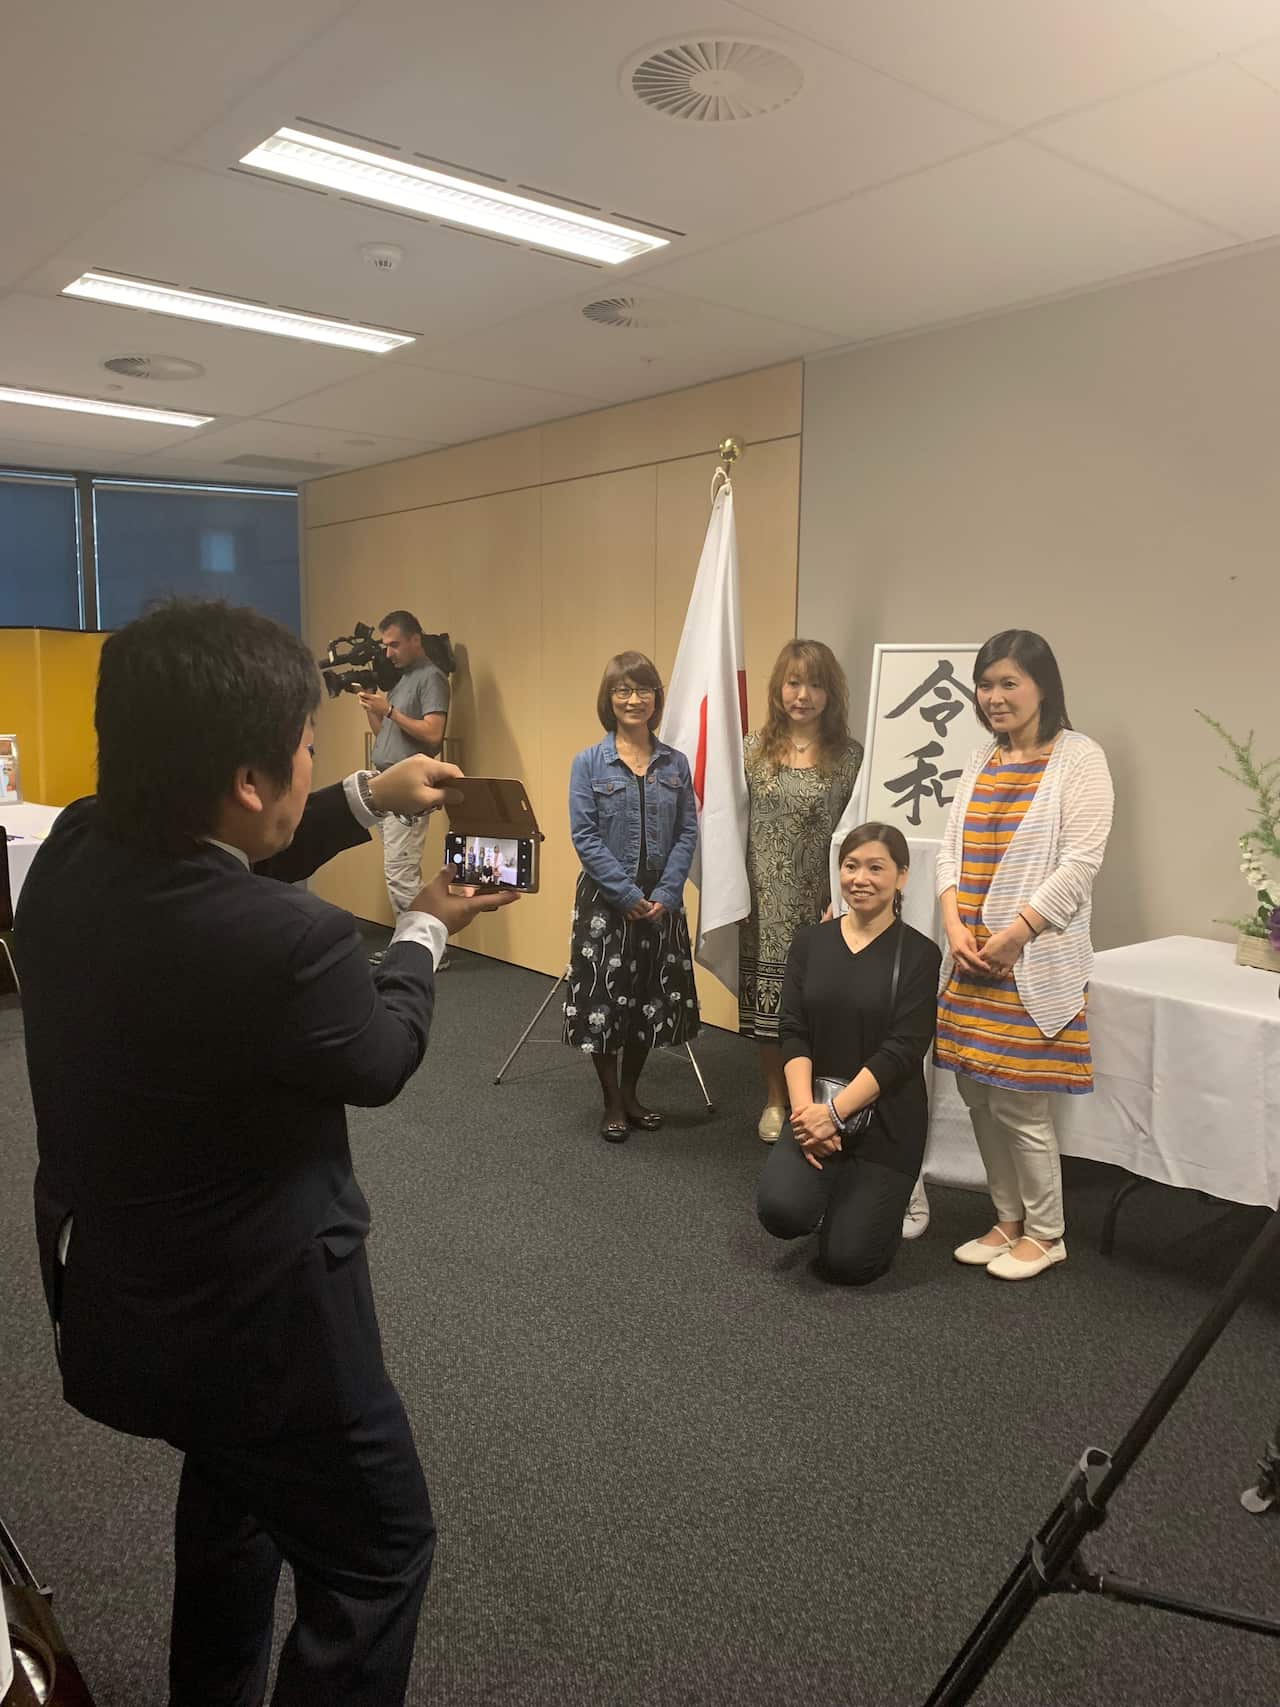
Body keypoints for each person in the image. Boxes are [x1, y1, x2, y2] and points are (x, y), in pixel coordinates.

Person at [15, 600, 517, 1706]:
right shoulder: (290, 942)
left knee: (234, 1496)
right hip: (270, 1335)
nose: (311, 765)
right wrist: (426, 926)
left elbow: (222, 857)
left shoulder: (72, 852)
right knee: (379, 1554)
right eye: (305, 750)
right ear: (250, 778)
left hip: (126, 1299)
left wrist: (366, 796)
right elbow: (379, 1055)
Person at [935, 629, 1113, 1282]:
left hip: (1031, 963)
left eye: (1009, 682)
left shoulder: (1079, 757)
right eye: (986, 684)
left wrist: (1015, 935)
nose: (995, 697)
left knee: (1021, 1105)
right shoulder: (982, 756)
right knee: (977, 1096)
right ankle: (1006, 1219)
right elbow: (950, 851)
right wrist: (954, 926)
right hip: (970, 959)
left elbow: (1081, 862)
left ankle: (1046, 1232)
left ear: (1044, 686)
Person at [756, 824, 942, 1284]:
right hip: (815, 1106)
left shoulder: (920, 955)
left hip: (886, 1122)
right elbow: (793, 1031)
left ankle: (876, 1201)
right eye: (851, 866)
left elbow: (902, 1051)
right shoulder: (810, 943)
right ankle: (837, 1194)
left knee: (848, 1262)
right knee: (781, 1211)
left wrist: (834, 1115)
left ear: (901, 876)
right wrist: (805, 1116)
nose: (861, 879)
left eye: (876, 868)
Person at [564, 651, 700, 1142]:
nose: (633, 699)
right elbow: (584, 836)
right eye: (623, 690)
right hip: (606, 903)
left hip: (660, 903)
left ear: (656, 698)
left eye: (643, 689)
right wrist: (625, 893)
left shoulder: (675, 763)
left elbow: (687, 831)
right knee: (603, 1000)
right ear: (609, 699)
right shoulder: (588, 762)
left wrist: (667, 891)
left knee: (648, 1000)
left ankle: (632, 1093)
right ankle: (611, 1101)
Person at [739, 640, 863, 1142]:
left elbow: (858, 833)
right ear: (779, 688)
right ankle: (775, 1099)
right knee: (769, 1009)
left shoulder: (850, 758)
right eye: (794, 683)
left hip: (823, 904)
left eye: (814, 684)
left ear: (830, 692)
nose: (803, 695)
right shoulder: (750, 751)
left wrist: (846, 899)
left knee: (820, 1006)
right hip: (764, 904)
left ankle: (819, 1100)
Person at [358, 608, 451, 964]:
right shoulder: (402, 679)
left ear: (415, 639)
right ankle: (411, 945)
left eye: (394, 645)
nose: (388, 652)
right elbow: (388, 735)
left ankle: (423, 951)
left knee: (400, 873)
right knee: (399, 871)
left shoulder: (432, 677)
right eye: (385, 646)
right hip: (387, 783)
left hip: (409, 788)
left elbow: (433, 733)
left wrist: (390, 710)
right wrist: (373, 706)